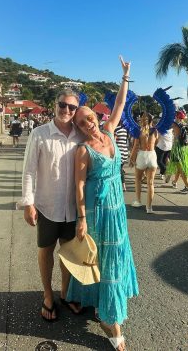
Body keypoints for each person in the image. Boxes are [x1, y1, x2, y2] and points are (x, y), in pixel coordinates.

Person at [66, 56, 138, 351]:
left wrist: (125, 77)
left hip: (117, 209)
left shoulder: (109, 131)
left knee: (114, 256)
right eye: (81, 122)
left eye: (89, 118)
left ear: (96, 116)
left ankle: (98, 304)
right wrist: (81, 218)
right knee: (104, 263)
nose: (87, 123)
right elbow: (79, 185)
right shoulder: (82, 151)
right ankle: (112, 323)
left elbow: (120, 105)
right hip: (97, 212)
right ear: (79, 128)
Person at [21, 89, 84, 322]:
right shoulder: (39, 134)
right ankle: (48, 295)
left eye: (72, 107)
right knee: (46, 250)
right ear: (54, 105)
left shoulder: (81, 135)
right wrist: (28, 203)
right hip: (47, 205)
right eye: (63, 105)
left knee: (68, 254)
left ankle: (66, 293)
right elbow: (28, 171)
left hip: (73, 207)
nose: (66, 110)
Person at [129, 112, 158, 213]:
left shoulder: (139, 130)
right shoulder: (155, 131)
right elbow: (156, 142)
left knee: (137, 179)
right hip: (152, 156)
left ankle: (138, 201)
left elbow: (136, 145)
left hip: (142, 155)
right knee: (150, 183)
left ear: (141, 119)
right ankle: (149, 207)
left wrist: (131, 158)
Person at [166, 110, 188, 193]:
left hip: (177, 149)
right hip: (185, 149)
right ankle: (174, 182)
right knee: (179, 168)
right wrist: (186, 138)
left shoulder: (175, 125)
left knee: (181, 168)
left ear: (177, 117)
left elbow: (165, 128)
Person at [114, 120, 129, 191]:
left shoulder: (116, 130)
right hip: (125, 152)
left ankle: (123, 185)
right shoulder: (125, 130)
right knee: (119, 169)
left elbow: (113, 141)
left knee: (119, 170)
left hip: (119, 152)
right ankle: (120, 184)